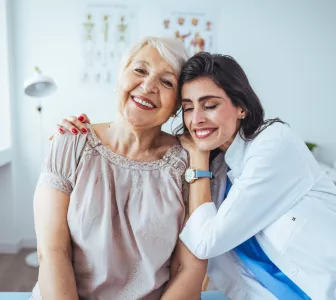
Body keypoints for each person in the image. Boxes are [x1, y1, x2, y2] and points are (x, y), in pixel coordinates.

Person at [57, 52, 336, 300]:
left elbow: (206, 241)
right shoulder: (215, 173)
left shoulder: (273, 144)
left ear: (241, 106)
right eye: (188, 107)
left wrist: (198, 157)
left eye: (210, 104)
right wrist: (83, 130)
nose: (196, 119)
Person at [30, 36, 207, 300]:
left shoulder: (189, 164)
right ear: (120, 77)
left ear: (176, 108)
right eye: (140, 70)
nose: (148, 85)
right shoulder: (71, 142)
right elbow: (52, 251)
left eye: (167, 81)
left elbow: (189, 269)